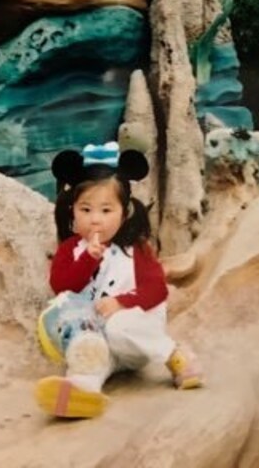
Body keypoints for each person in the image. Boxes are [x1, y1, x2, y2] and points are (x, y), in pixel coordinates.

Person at [34, 144, 203, 419]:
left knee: (117, 327)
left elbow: (156, 290)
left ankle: (173, 354)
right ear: (72, 211)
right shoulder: (70, 249)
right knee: (78, 333)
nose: (95, 220)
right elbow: (62, 286)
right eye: (86, 210)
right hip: (96, 340)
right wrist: (87, 259)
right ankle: (82, 390)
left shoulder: (135, 249)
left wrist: (121, 302)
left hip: (132, 340)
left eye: (106, 210)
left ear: (124, 213)